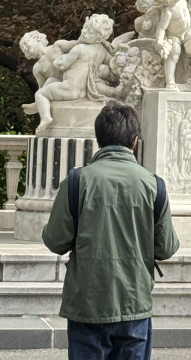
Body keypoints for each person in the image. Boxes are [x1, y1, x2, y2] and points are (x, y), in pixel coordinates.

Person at [42, 101, 178, 360]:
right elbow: (166, 248)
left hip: (88, 303)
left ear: (99, 140)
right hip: (134, 302)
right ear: (135, 141)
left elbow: (55, 241)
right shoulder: (154, 185)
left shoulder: (76, 181)